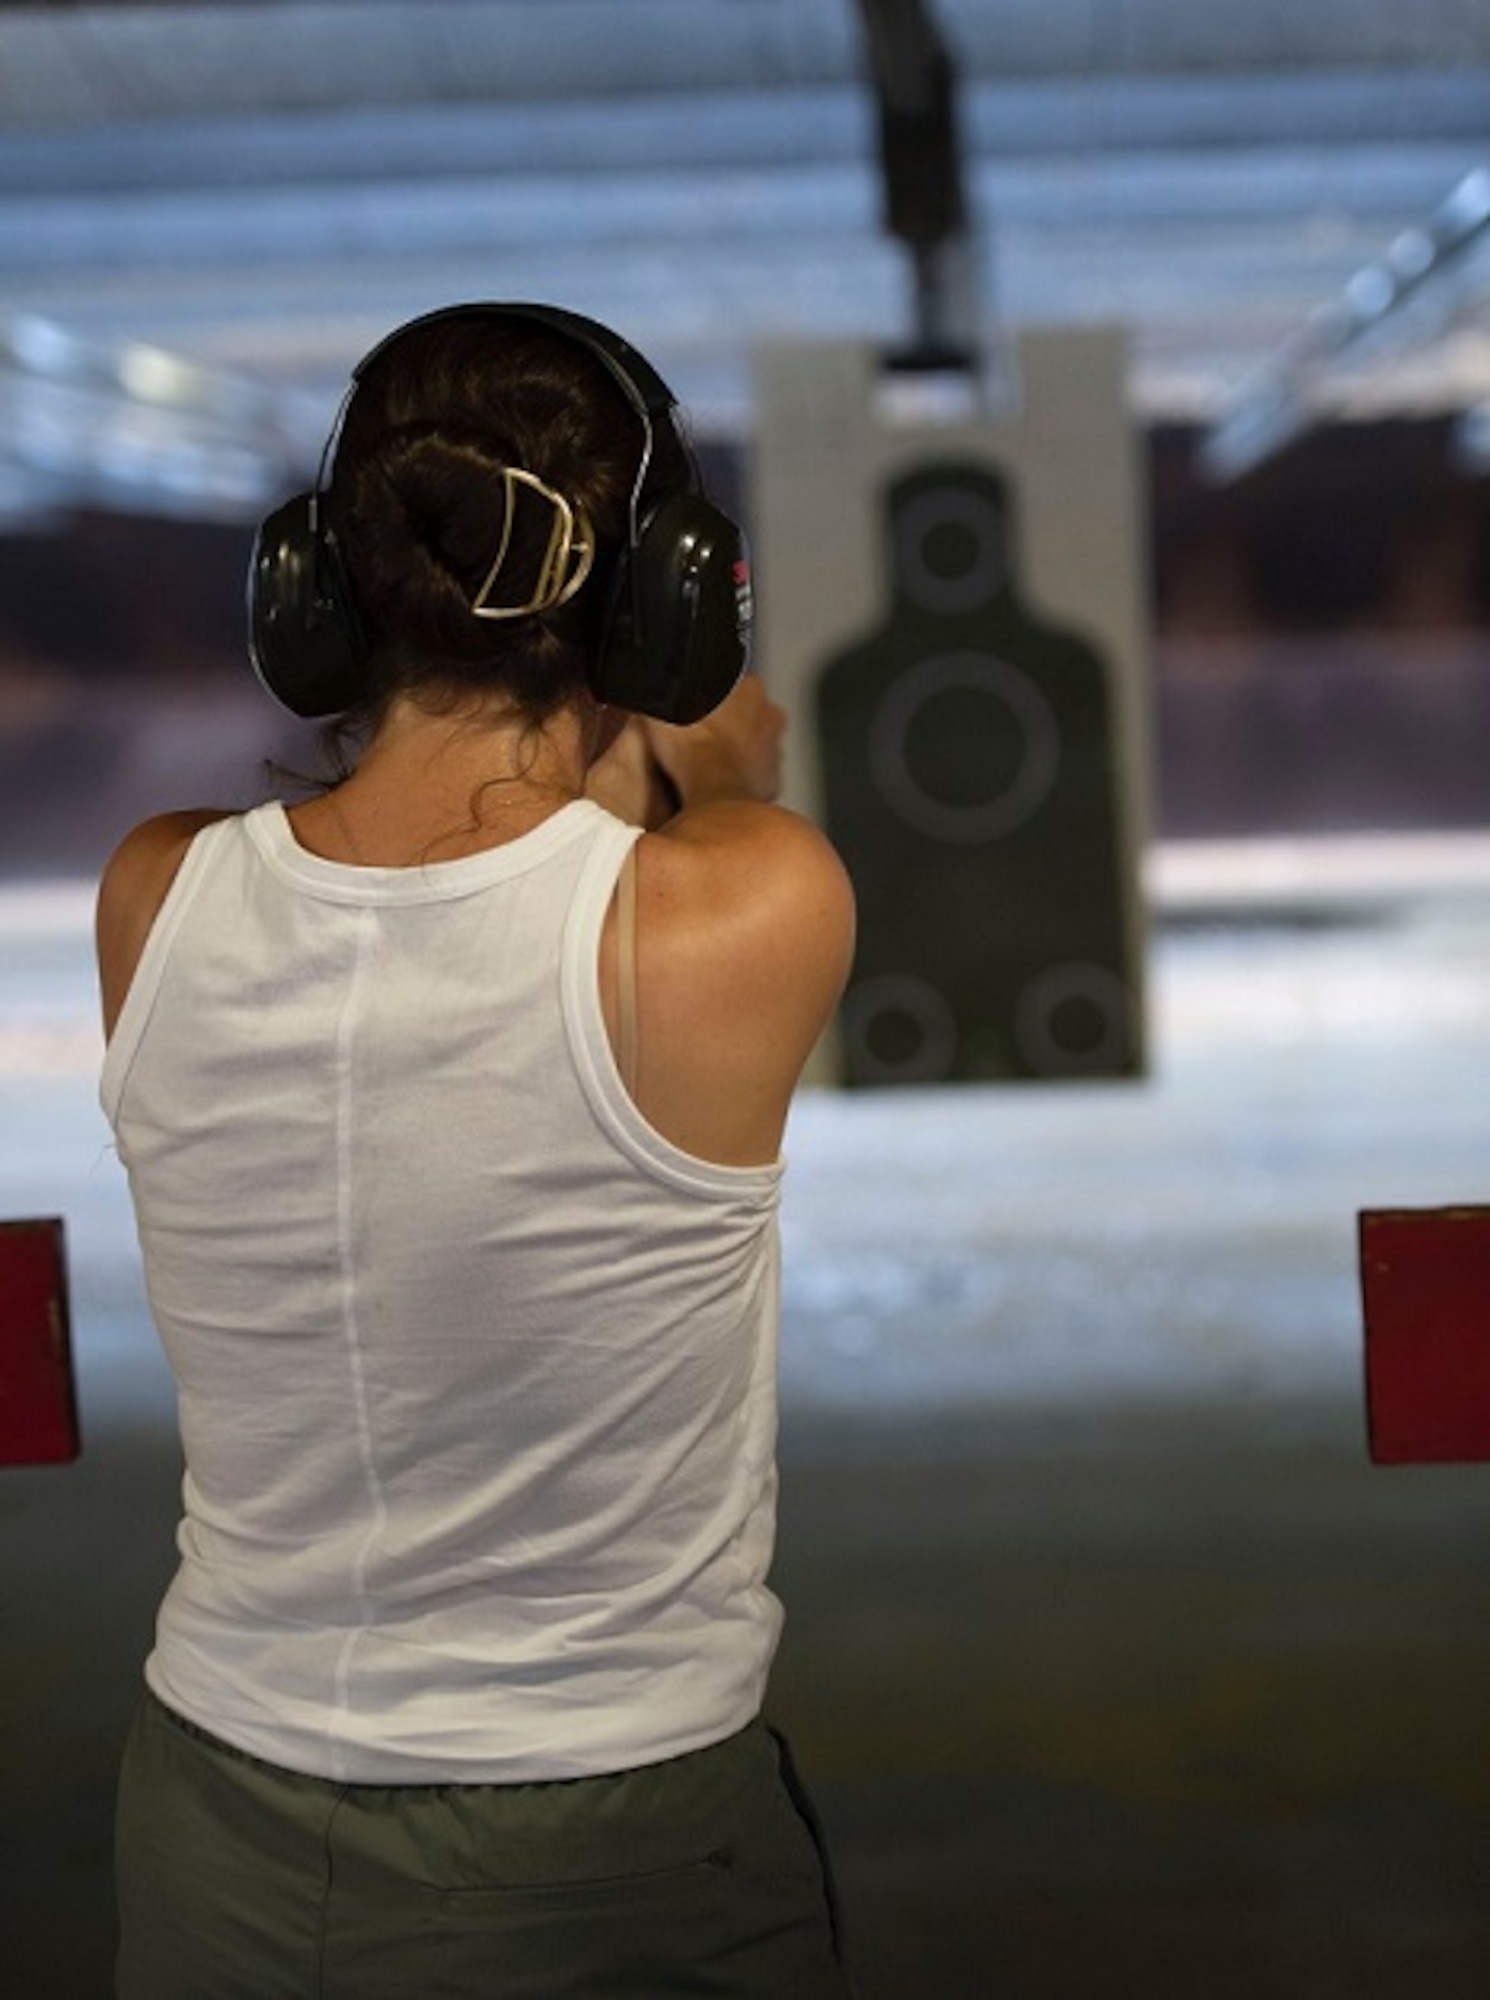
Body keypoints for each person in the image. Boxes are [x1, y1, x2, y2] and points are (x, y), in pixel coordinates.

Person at [95, 303, 858, 1998]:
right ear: (669, 603)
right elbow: (674, 814)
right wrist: (710, 728)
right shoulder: (751, 907)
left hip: (216, 1815)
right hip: (608, 1847)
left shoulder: (154, 894)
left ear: (320, 586)